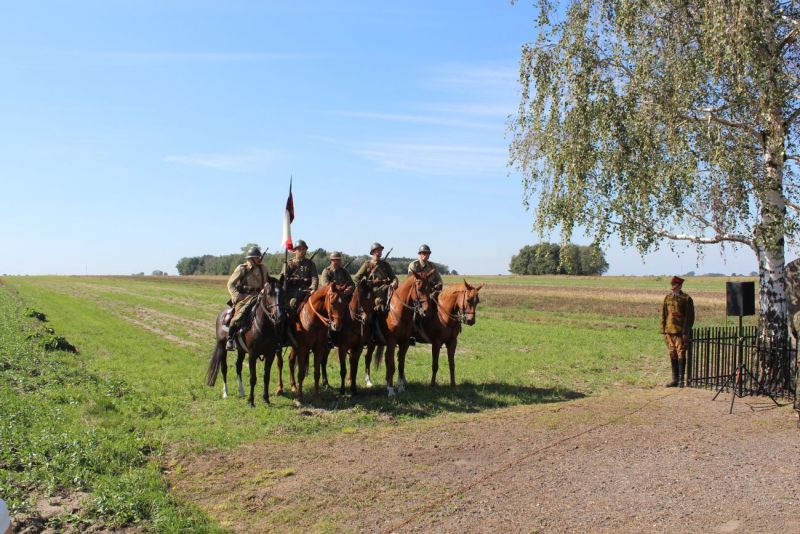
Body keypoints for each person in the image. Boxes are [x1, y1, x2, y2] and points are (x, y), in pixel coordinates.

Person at [225, 245, 268, 351]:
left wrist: (266, 288)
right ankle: (230, 339)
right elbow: (230, 284)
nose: (259, 259)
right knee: (239, 315)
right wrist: (236, 295)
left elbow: (267, 281)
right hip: (245, 297)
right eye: (256, 257)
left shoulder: (263, 268)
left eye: (259, 257)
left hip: (260, 295)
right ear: (251, 258)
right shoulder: (242, 269)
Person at [661, 275, 695, 387]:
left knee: (681, 354)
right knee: (672, 354)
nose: (673, 286)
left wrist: (685, 332)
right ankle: (674, 379)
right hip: (669, 331)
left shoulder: (686, 299)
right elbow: (664, 314)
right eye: (672, 284)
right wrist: (663, 330)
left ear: (680, 286)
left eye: (675, 284)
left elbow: (689, 317)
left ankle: (681, 380)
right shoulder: (667, 298)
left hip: (680, 332)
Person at [354, 242, 398, 312]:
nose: (380, 251)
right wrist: (364, 285)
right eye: (378, 250)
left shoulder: (385, 265)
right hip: (370, 290)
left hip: (384, 289)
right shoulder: (367, 265)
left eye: (381, 250)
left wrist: (394, 282)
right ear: (373, 252)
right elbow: (356, 278)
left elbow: (394, 277)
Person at [280, 239, 319, 317]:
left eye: (303, 249)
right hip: (292, 290)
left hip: (307, 290)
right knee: (290, 306)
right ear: (295, 250)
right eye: (299, 249)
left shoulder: (310, 264)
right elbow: (282, 279)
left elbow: (315, 278)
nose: (302, 251)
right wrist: (287, 278)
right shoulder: (289, 263)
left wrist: (313, 288)